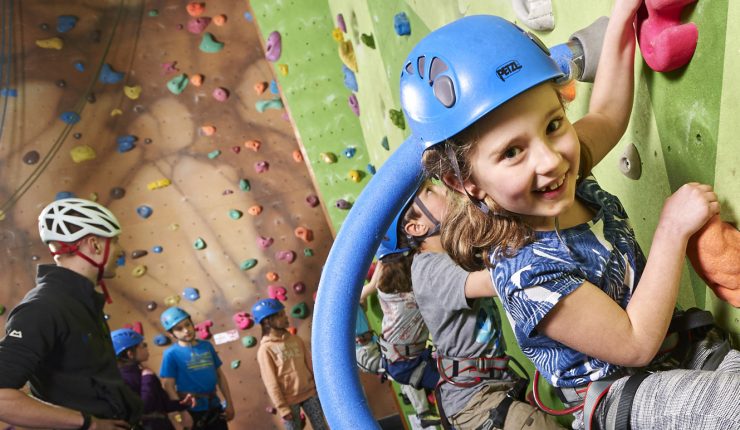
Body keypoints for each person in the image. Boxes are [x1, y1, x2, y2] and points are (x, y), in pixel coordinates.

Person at [401, 4, 740, 429]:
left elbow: (609, 113)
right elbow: (634, 342)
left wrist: (623, 19)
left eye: (553, 125)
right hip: (620, 392)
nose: (550, 159)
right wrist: (672, 230)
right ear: (465, 181)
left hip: (674, 347)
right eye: (512, 152)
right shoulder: (524, 272)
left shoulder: (561, 174)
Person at [396, 179, 564, 430]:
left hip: (490, 385)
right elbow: (498, 281)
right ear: (418, 227)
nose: (443, 189)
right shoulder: (429, 270)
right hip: (474, 401)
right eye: (430, 191)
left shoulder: (450, 252)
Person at [0, 197, 143, 429]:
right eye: (115, 241)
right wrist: (89, 424)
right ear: (95, 244)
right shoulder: (44, 307)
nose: (121, 250)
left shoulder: (79, 302)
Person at [359, 247, 442, 428]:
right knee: (450, 382)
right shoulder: (416, 297)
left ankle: (422, 410)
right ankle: (423, 412)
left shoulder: (385, 293)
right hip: (398, 361)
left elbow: (366, 291)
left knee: (446, 381)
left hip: (396, 358)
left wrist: (373, 281)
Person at [253, 298, 328, 430]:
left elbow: (310, 365)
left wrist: (319, 389)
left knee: (321, 427)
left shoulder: (296, 339)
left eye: (284, 313)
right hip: (288, 401)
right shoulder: (265, 350)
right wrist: (282, 408)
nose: (285, 317)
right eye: (280, 315)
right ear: (267, 321)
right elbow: (271, 382)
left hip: (310, 394)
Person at [159, 307, 235, 429]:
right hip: (192, 411)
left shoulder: (207, 346)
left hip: (214, 406)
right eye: (179, 328)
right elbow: (168, 385)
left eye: (187, 324)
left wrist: (229, 403)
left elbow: (220, 376)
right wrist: (182, 412)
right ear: (171, 334)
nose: (186, 330)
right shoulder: (171, 354)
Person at [112, 328, 196, 429]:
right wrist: (148, 380)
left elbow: (161, 403)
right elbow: (143, 408)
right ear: (130, 354)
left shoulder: (141, 372)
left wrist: (182, 404)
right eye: (143, 345)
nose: (147, 348)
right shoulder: (123, 379)